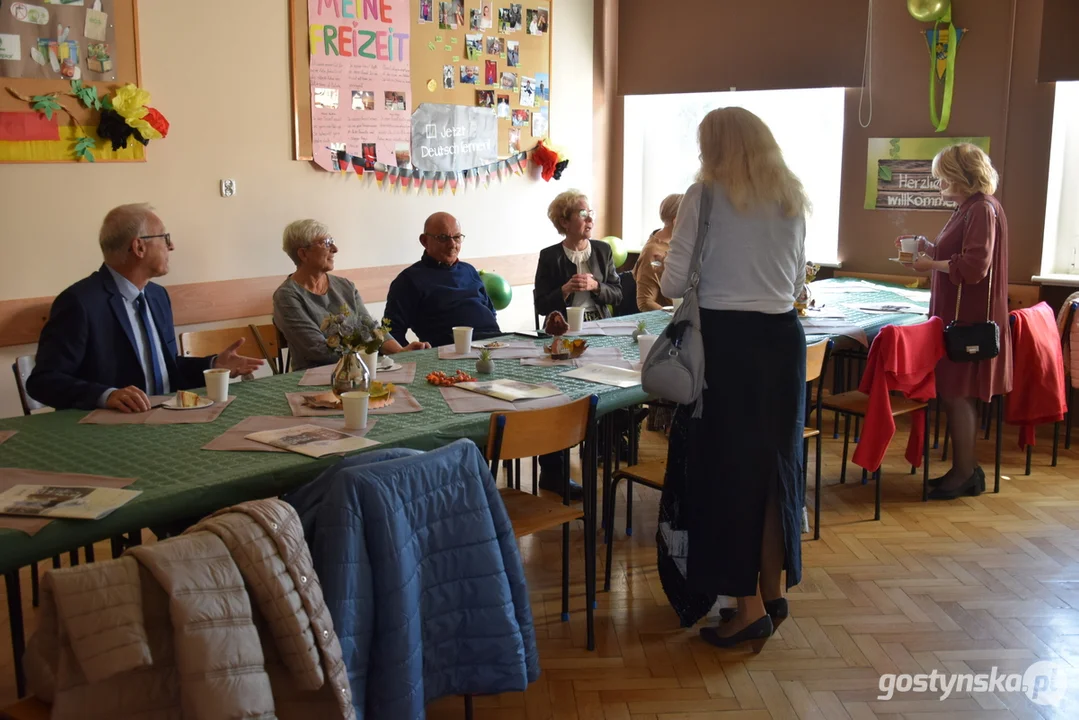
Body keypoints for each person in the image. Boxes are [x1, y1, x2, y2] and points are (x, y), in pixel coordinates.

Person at [660, 107, 808, 649]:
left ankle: (745, 609)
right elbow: (795, 281)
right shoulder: (791, 196)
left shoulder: (706, 196)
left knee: (727, 475)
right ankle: (770, 593)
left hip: (726, 344)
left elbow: (676, 282)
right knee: (775, 474)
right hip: (783, 341)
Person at [27, 203, 264, 412]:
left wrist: (213, 365)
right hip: (107, 433)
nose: (171, 246)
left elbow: (166, 369)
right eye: (164, 237)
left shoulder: (157, 296)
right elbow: (44, 381)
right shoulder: (80, 303)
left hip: (168, 418)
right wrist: (107, 396)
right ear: (139, 247)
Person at [901, 143, 1012, 499]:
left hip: (968, 321)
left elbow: (975, 267)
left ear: (960, 176)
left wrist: (929, 265)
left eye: (942, 179)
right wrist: (926, 248)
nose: (939, 186)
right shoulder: (970, 208)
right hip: (961, 317)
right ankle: (965, 469)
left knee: (957, 394)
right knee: (954, 394)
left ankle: (965, 473)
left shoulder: (980, 209)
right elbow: (957, 255)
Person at [272, 219, 429, 372]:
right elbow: (318, 350)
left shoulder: (345, 286)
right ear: (303, 254)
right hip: (317, 376)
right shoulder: (286, 296)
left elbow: (371, 327)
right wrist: (371, 355)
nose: (335, 248)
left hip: (361, 368)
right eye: (326, 243)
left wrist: (399, 352)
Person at [383, 212, 502, 349]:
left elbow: (490, 312)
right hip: (452, 351)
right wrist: (407, 353)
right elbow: (389, 333)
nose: (452, 244)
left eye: (457, 237)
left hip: (496, 342)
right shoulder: (408, 280)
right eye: (443, 238)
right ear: (425, 241)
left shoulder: (469, 270)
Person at [534, 190, 623, 323]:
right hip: (563, 324)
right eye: (583, 214)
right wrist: (564, 291)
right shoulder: (549, 256)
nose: (590, 219)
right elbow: (541, 306)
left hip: (600, 322)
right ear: (564, 222)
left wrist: (596, 286)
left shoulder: (603, 250)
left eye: (590, 213)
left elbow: (617, 294)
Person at [633, 193, 683, 311]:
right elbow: (645, 302)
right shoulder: (653, 252)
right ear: (677, 221)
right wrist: (675, 317)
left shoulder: (680, 244)